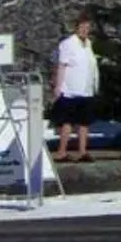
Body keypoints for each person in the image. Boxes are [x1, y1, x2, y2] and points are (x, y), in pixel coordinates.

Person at [51, 15, 99, 163]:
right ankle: (62, 152)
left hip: (86, 90)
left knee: (84, 122)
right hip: (70, 90)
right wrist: (58, 86)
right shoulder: (68, 44)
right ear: (76, 28)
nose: (85, 30)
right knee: (67, 122)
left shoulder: (88, 44)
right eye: (82, 27)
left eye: (87, 27)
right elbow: (62, 65)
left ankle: (82, 151)